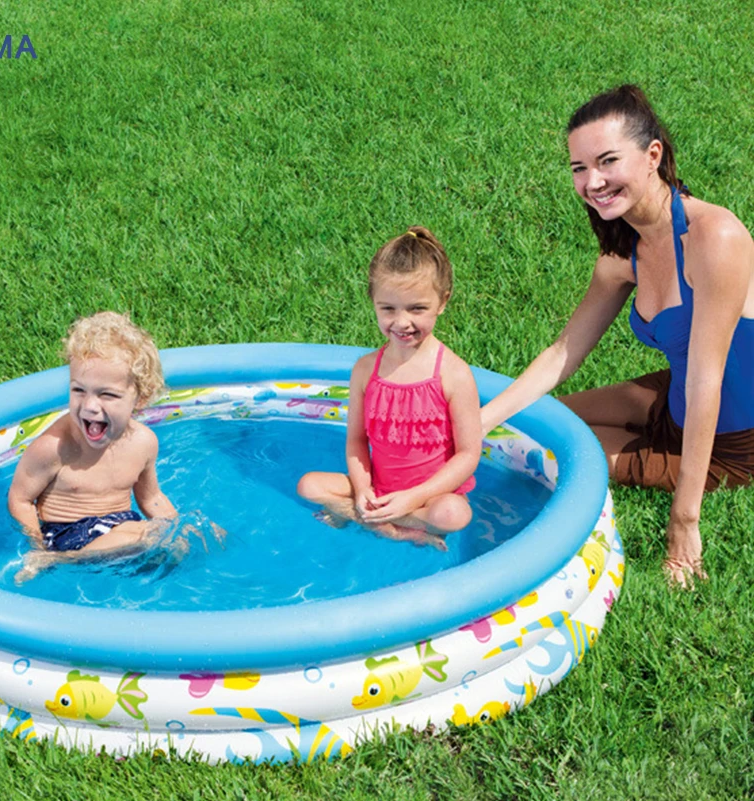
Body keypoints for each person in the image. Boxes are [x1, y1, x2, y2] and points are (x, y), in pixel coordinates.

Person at [480, 85, 754, 587]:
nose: (593, 182)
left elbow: (707, 380)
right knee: (532, 426)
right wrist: (480, 420)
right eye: (579, 168)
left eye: (607, 161)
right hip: (673, 396)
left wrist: (684, 522)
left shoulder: (716, 237)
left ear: (653, 156)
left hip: (731, 439)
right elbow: (562, 352)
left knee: (550, 455)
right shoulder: (623, 255)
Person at [297, 226, 482, 548]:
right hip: (378, 488)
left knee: (454, 514)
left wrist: (414, 498)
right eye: (388, 309)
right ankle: (395, 526)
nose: (401, 322)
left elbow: (468, 454)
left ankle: (370, 519)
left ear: (443, 301)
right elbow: (356, 440)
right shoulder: (366, 370)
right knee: (308, 485)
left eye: (417, 308)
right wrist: (363, 489)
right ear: (373, 302)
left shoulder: (453, 374)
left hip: (430, 497)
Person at [8, 311, 177, 579]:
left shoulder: (143, 442)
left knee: (179, 544)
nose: (89, 406)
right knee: (148, 536)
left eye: (107, 394)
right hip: (68, 537)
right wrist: (37, 548)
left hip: (121, 527)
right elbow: (20, 499)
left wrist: (179, 528)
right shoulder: (53, 447)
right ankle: (57, 561)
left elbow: (151, 498)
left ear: (140, 398)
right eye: (78, 390)